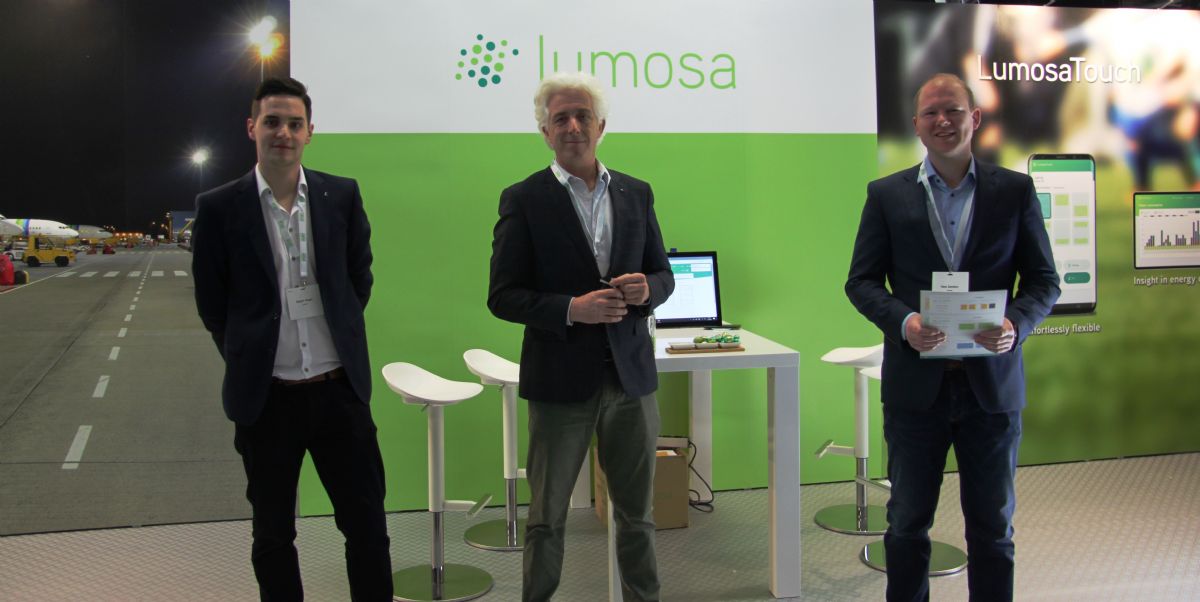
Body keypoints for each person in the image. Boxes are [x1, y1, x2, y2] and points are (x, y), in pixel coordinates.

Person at [845, 73, 1061, 602]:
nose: (943, 121)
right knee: (906, 524)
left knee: (992, 529)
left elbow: (1044, 281)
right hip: (916, 390)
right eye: (931, 113)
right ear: (917, 126)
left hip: (991, 389)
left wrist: (1015, 324)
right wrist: (905, 323)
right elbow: (862, 281)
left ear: (975, 119)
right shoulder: (886, 195)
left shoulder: (1014, 191)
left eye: (954, 111)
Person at [192, 77, 391, 601]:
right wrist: (251, 357)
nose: (284, 132)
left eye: (294, 124)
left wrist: (338, 332)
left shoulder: (339, 196)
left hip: (338, 392)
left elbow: (358, 278)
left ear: (309, 132)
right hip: (267, 401)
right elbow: (213, 304)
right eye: (273, 121)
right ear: (251, 127)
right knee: (274, 535)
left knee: (368, 529)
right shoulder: (220, 207)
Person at [488, 71, 674, 602]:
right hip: (559, 383)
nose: (573, 126)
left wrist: (648, 289)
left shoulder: (637, 193)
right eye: (561, 118)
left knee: (638, 516)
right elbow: (503, 295)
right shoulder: (524, 199)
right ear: (545, 131)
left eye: (582, 116)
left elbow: (664, 275)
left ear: (601, 126)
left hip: (630, 380)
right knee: (547, 518)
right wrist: (573, 309)